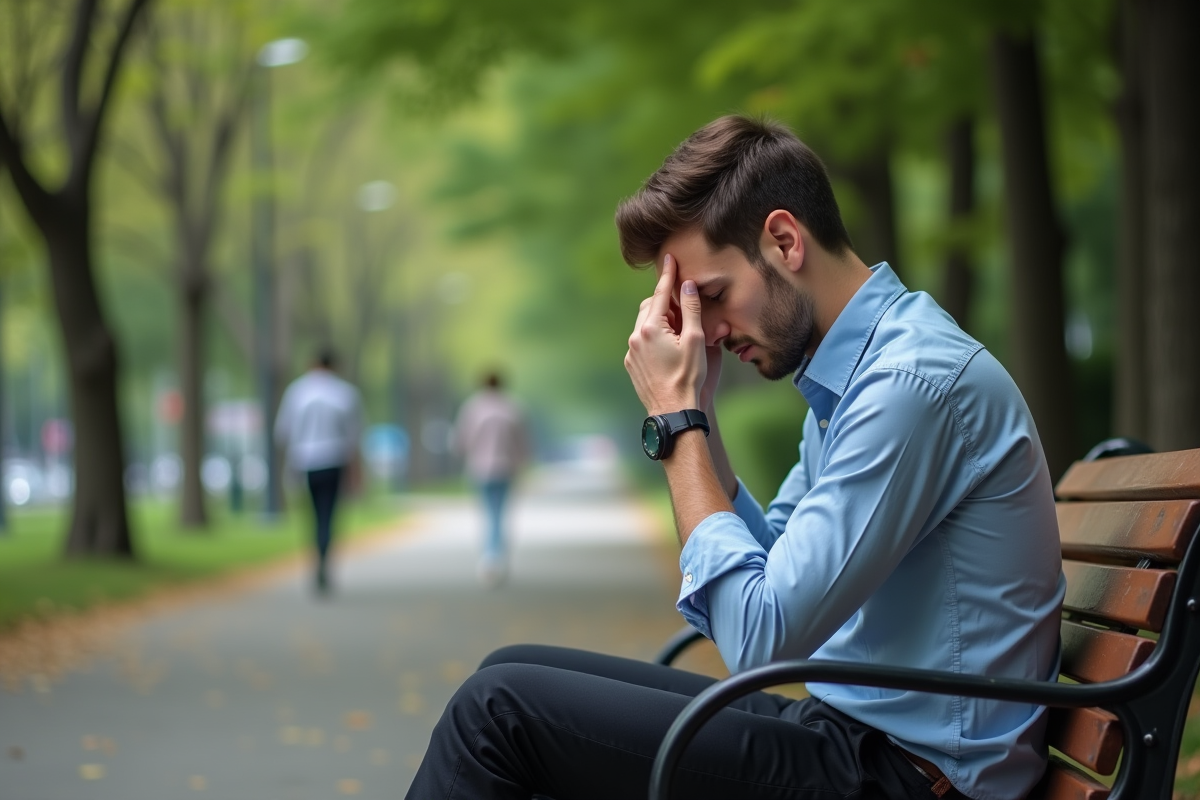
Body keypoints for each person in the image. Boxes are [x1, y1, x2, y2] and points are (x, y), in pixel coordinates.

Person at [404, 116, 1064, 800]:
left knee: (499, 712)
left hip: (915, 776)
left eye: (712, 296)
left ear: (784, 240)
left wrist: (677, 421)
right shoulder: (861, 376)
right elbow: (776, 566)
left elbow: (760, 638)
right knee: (512, 666)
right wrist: (704, 420)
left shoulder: (908, 387)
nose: (709, 332)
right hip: (862, 738)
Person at [274, 347, 363, 595]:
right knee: (329, 514)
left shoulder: (297, 391)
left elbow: (283, 431)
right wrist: (357, 472)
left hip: (305, 461)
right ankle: (324, 560)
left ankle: (317, 560)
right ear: (334, 366)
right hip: (334, 460)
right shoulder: (345, 393)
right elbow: (354, 435)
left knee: (312, 515)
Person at [452, 370, 529, 588]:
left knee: (488, 512)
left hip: (480, 468)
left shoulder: (472, 408)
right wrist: (521, 463)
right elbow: (521, 441)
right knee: (500, 513)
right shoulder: (513, 407)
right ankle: (496, 556)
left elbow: (462, 439)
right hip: (506, 468)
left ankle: (490, 557)